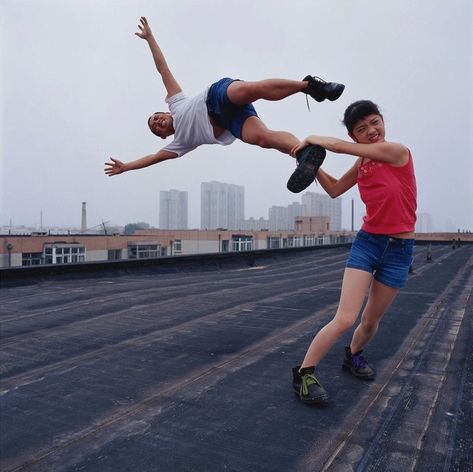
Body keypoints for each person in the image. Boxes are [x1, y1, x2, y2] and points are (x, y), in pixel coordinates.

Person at [104, 17, 344, 193]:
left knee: (251, 89)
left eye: (155, 117)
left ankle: (310, 86)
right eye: (155, 127)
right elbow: (152, 158)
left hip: (217, 96)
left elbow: (162, 68)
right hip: (230, 122)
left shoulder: (176, 103)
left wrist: (150, 38)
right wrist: (126, 167)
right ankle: (303, 153)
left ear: (164, 111)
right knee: (263, 138)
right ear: (162, 135)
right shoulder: (179, 145)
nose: (157, 122)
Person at [290, 100, 417, 404]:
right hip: (368, 243)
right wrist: (311, 165)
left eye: (375, 122)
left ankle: (354, 355)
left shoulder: (398, 151)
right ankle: (304, 374)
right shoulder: (363, 163)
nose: (372, 131)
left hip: (400, 249)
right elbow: (335, 189)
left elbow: (340, 147)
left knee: (370, 322)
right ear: (355, 135)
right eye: (362, 129)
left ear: (382, 121)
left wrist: (312, 140)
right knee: (346, 317)